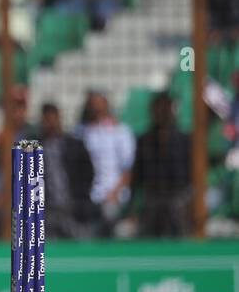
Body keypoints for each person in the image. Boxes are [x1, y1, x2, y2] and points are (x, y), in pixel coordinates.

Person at [125, 92, 191, 237]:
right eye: (158, 109)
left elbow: (193, 176)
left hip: (178, 197)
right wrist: (132, 208)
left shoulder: (185, 140)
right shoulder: (144, 140)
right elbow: (136, 176)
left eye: (165, 108)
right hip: (153, 199)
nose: (162, 113)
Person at [76, 91, 136, 231]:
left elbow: (128, 168)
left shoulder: (121, 131)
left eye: (99, 105)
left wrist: (114, 193)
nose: (96, 109)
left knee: (109, 215)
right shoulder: (80, 132)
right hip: (88, 198)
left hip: (113, 196)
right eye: (92, 105)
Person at [36, 103, 97, 238]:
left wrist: (80, 198)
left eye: (53, 119)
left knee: (82, 246)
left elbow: (88, 174)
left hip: (74, 208)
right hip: (47, 210)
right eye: (47, 120)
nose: (51, 124)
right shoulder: (35, 147)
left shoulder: (75, 145)